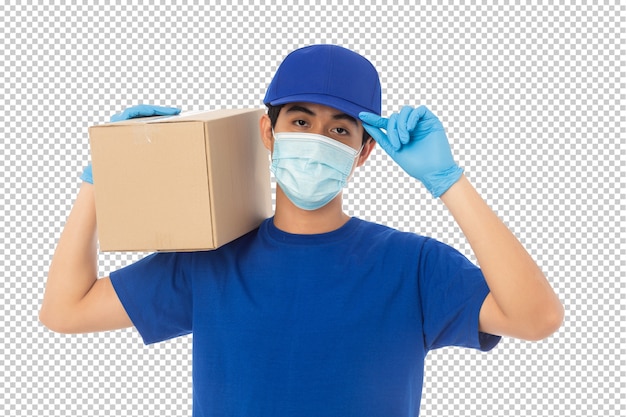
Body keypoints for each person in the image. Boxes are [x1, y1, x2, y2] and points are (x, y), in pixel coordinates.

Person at [40, 44, 564, 416]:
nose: (318, 138)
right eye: (300, 120)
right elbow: (66, 310)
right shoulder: (211, 260)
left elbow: (536, 317)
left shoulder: (413, 266)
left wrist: (449, 182)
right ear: (268, 131)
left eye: (340, 129)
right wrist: (99, 177)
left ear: (364, 152)